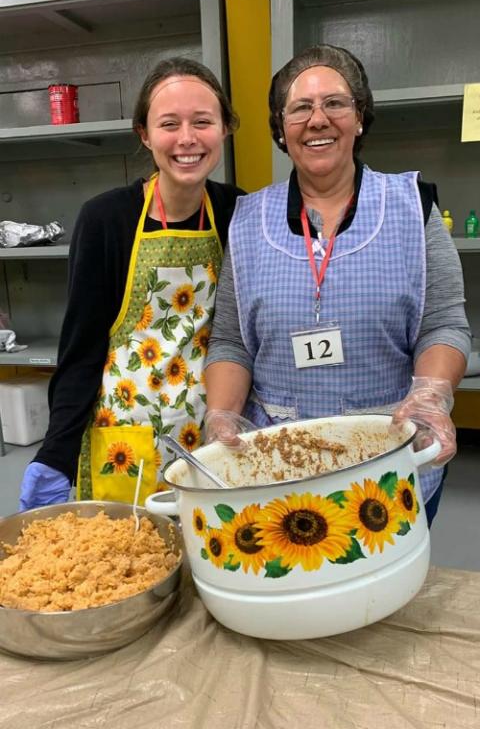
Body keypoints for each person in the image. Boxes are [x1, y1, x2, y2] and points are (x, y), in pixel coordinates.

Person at [204, 44, 471, 527]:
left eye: (335, 103)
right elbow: (231, 341)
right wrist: (221, 415)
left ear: (360, 117)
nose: (318, 119)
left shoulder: (413, 208)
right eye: (300, 107)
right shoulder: (246, 222)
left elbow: (444, 324)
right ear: (281, 129)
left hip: (390, 458)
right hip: (278, 466)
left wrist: (432, 396)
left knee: (383, 595)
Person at [19, 57, 244, 511]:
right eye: (169, 124)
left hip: (213, 438)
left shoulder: (238, 210)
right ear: (144, 134)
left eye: (203, 121)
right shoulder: (105, 219)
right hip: (124, 442)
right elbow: (80, 349)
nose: (187, 139)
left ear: (224, 129)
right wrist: (56, 452)